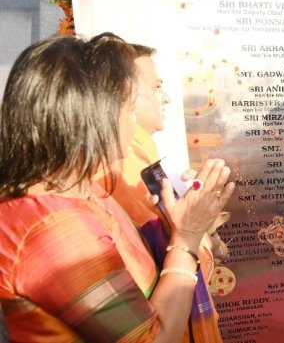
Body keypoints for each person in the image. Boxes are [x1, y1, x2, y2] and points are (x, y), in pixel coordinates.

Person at [0, 34, 234, 341]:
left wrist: (181, 223)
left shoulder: (84, 193)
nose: (133, 121)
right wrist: (186, 237)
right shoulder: (52, 227)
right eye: (128, 109)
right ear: (95, 116)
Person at [111, 43, 227, 342]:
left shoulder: (144, 162)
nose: (166, 98)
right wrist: (195, 231)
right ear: (124, 97)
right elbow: (165, 256)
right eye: (156, 86)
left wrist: (201, 221)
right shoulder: (122, 172)